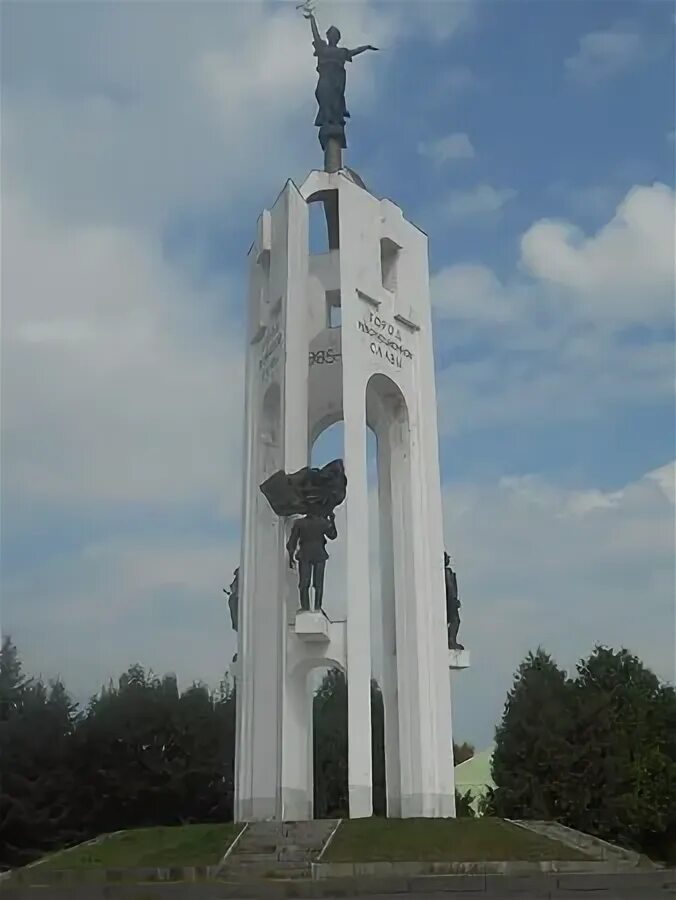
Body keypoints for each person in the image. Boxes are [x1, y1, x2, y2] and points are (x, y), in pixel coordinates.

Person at [305, 10, 378, 148]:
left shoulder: (342, 52)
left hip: (337, 81)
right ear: (328, 36)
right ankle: (327, 121)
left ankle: (334, 122)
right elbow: (315, 34)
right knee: (323, 96)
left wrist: (366, 47)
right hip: (325, 78)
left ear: (337, 38)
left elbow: (354, 51)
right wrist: (312, 19)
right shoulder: (322, 47)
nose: (333, 37)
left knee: (335, 103)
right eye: (331, 35)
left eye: (335, 35)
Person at [287, 510, 337, 611]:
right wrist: (332, 520)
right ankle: (316, 607)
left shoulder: (300, 523)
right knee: (315, 583)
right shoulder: (322, 522)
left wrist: (291, 555)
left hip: (307, 554)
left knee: (306, 583)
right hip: (316, 553)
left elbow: (291, 542)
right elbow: (332, 535)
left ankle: (308, 607)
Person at [444, 553, 463, 650]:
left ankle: (451, 639)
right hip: (450, 601)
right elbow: (450, 588)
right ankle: (451, 640)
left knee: (455, 621)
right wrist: (454, 601)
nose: (448, 560)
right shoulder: (446, 572)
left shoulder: (449, 572)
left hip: (451, 600)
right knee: (455, 620)